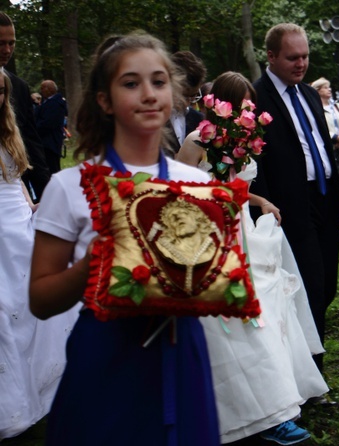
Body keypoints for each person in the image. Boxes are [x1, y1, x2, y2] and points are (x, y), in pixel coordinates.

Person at [28, 33, 220, 445]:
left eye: (159, 81)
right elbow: (41, 300)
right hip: (107, 354)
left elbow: (214, 286)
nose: (149, 94)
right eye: (131, 83)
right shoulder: (70, 187)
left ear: (175, 92)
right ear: (104, 100)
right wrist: (96, 258)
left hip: (183, 351)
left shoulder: (197, 183)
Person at [178, 71, 328, 444]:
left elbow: (238, 189)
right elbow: (179, 193)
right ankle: (252, 408)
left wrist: (261, 201)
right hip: (214, 235)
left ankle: (280, 396)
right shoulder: (198, 141)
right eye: (243, 102)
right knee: (240, 318)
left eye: (251, 103)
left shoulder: (243, 140)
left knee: (269, 308)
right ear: (223, 103)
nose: (249, 108)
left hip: (244, 228)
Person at [250, 23, 339, 372]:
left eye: (305, 56)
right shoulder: (256, 96)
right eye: (293, 57)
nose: (301, 63)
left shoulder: (309, 94)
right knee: (308, 287)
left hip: (326, 200)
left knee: (327, 287)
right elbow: (255, 159)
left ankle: (307, 363)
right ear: (272, 56)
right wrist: (262, 206)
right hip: (290, 205)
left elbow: (320, 145)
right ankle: (309, 374)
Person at [0, 69, 76, 440]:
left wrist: (33, 204)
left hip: (19, 215)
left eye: (2, 92)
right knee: (8, 309)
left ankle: (43, 388)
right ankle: (12, 401)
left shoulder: (9, 128)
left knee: (37, 304)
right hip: (1, 229)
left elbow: (18, 180)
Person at [0, 12, 50, 201]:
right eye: (1, 43)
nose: (7, 49)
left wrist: (46, 193)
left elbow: (31, 141)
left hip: (16, 192)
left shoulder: (19, 87)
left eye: (11, 43)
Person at [312, 76, 339, 195]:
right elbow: (319, 127)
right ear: (318, 90)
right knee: (330, 180)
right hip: (328, 149)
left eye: (329, 87)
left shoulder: (337, 106)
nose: (329, 90)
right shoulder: (316, 109)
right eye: (325, 88)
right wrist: (335, 137)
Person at [164, 50, 206, 156]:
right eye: (183, 95)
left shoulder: (199, 119)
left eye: (193, 96)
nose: (187, 102)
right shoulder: (156, 118)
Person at [35, 80, 67, 174]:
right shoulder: (48, 102)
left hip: (50, 142)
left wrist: (35, 129)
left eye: (43, 88)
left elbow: (48, 123)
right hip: (47, 141)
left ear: (50, 89)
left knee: (52, 167)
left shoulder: (55, 103)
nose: (41, 91)